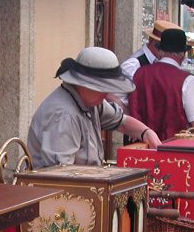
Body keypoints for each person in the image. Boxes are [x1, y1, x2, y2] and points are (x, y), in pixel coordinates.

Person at [27, 47, 161, 168]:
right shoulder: (65, 115)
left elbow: (121, 121)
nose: (106, 94)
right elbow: (59, 174)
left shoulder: (91, 101)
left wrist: (146, 132)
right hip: (62, 186)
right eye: (102, 88)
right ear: (83, 84)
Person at [127, 28, 194, 140]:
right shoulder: (186, 79)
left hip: (141, 145)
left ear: (160, 51)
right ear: (183, 55)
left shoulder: (140, 73)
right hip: (172, 146)